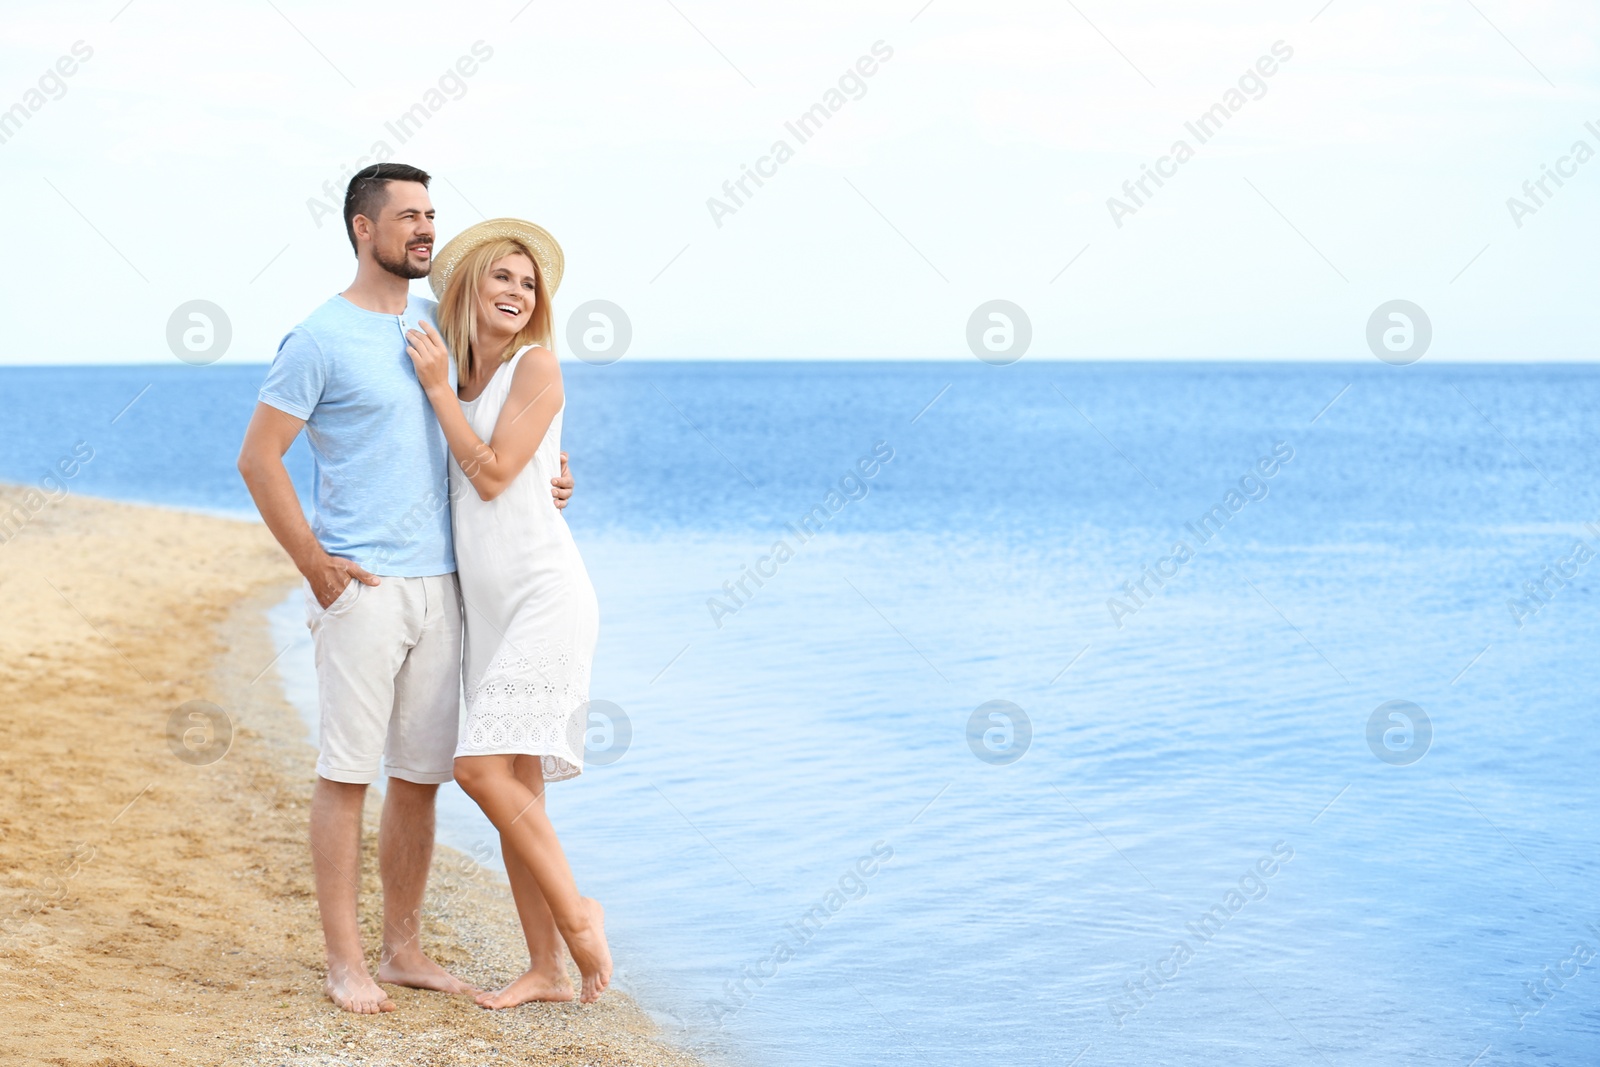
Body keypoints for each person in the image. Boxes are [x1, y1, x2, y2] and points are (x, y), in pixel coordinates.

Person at [236, 165, 576, 1014]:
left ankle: (402, 951)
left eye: (431, 215)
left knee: (421, 778)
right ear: (363, 227)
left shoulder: (438, 323)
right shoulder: (317, 338)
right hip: (366, 584)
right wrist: (315, 566)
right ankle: (345, 963)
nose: (425, 230)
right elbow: (258, 458)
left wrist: (552, 474)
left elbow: (497, 430)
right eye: (409, 217)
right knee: (346, 774)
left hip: (449, 588)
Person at [401, 217, 612, 1006]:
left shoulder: (537, 366)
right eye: (504, 278)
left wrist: (434, 393)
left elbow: (490, 475)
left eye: (529, 284)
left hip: (545, 595)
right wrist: (440, 390)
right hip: (486, 608)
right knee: (519, 789)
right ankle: (545, 970)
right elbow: (502, 469)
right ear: (469, 287)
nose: (519, 293)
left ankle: (578, 916)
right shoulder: (460, 375)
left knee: (479, 768)